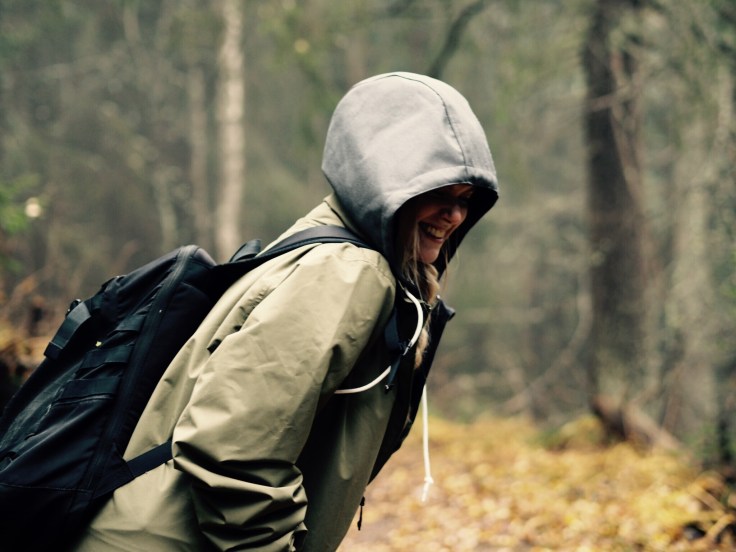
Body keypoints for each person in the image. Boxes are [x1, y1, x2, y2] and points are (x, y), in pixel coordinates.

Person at [72, 71, 499, 551]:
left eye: (466, 201)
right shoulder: (346, 272)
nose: (455, 216)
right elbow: (233, 447)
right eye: (438, 193)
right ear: (384, 181)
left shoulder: (323, 250)